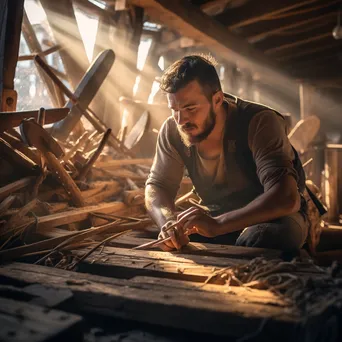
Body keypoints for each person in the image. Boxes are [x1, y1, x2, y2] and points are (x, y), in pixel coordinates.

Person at [145, 54, 309, 253]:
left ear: (217, 99)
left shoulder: (259, 122)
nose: (181, 120)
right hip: (216, 217)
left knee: (262, 238)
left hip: (273, 218)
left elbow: (286, 197)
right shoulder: (172, 130)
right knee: (166, 238)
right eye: (174, 109)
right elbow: (157, 186)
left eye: (190, 108)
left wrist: (219, 225)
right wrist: (168, 223)